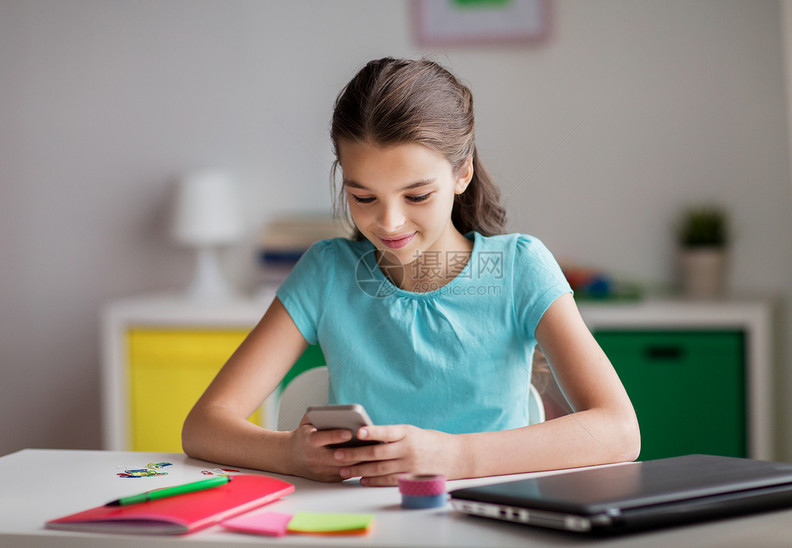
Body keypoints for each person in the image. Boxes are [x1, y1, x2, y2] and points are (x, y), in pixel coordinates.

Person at [183, 57, 639, 487]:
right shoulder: (326, 272)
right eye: (364, 197)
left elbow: (619, 430)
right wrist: (290, 455)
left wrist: (455, 457)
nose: (389, 223)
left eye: (416, 196)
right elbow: (204, 426)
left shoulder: (520, 268)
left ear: (463, 174)